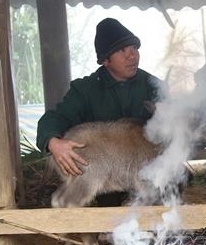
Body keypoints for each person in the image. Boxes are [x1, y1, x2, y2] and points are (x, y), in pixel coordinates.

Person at [37, 18, 165, 177]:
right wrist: (53, 143)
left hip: (148, 172)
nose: (132, 56)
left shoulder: (153, 85)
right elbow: (56, 118)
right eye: (122, 50)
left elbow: (180, 119)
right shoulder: (85, 90)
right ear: (105, 60)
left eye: (134, 48)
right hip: (104, 176)